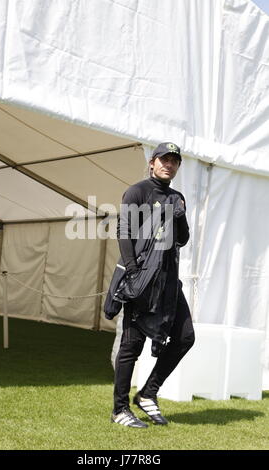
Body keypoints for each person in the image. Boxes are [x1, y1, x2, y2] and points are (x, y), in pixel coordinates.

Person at [104, 142, 195, 428]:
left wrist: (179, 218)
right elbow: (124, 231)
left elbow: (181, 240)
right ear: (152, 162)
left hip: (168, 281)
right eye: (164, 159)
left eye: (174, 161)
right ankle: (120, 409)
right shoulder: (138, 191)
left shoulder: (177, 197)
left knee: (184, 337)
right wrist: (132, 273)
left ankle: (148, 393)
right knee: (132, 345)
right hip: (141, 279)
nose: (169, 164)